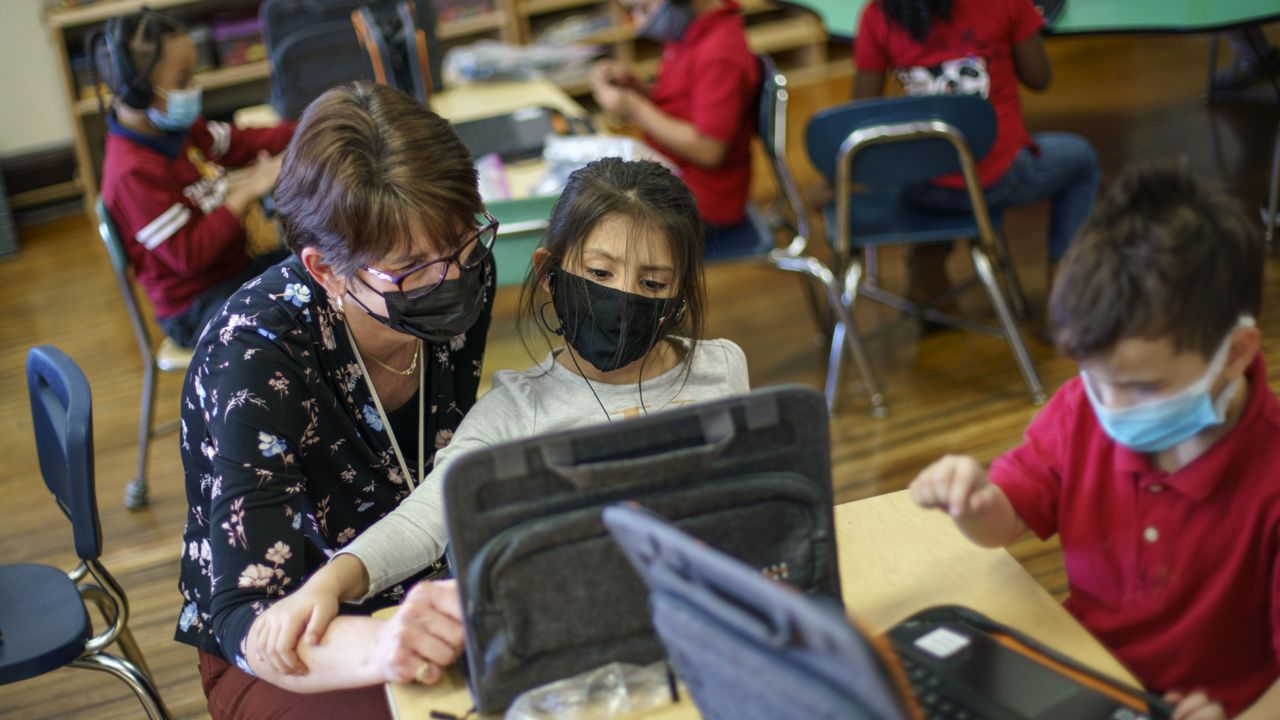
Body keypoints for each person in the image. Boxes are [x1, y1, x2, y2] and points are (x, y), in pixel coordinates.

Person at [244, 158, 751, 678]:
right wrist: (330, 583)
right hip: (591, 648)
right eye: (600, 273)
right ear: (550, 274)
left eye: (652, 282)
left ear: (679, 293)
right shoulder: (516, 409)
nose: (624, 296)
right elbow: (427, 518)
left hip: (714, 625)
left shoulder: (722, 367)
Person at [909, 165, 1279, 719]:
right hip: (1079, 681)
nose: (1111, 406)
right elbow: (1003, 522)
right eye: (1093, 375)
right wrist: (976, 503)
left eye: (1143, 385)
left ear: (1235, 353)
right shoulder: (1081, 410)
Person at [175, 82, 496, 719]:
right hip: (303, 637)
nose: (450, 278)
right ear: (325, 270)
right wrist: (380, 641)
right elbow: (246, 615)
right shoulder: (257, 355)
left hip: (433, 582)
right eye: (410, 267)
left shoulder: (461, 274)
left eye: (461, 242)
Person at [853, 0, 1100, 307]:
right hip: (1000, 181)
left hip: (923, 188)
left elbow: (860, 117)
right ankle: (1067, 296)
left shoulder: (877, 15)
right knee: (1083, 160)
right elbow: (1040, 78)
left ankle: (929, 279)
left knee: (926, 161)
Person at [94, 10, 296, 346]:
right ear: (139, 91)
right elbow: (190, 255)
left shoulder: (181, 130)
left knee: (323, 268)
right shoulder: (131, 172)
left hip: (235, 275)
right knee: (310, 309)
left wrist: (310, 127)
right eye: (183, 79)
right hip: (195, 307)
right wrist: (246, 190)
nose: (193, 89)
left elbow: (242, 143)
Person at [589, 0, 761, 259]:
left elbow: (709, 149)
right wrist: (635, 88)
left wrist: (634, 108)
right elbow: (682, 104)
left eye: (644, 10)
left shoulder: (719, 53)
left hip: (704, 203)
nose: (638, 23)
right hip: (676, 177)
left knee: (590, 225)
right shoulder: (689, 33)